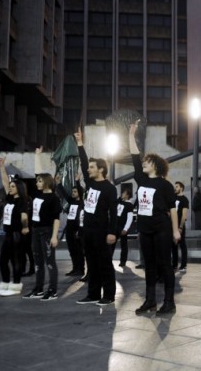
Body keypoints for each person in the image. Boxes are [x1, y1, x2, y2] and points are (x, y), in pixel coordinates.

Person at [129, 121, 181, 315]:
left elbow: (173, 209)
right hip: (145, 229)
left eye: (147, 162)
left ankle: (169, 302)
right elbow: (135, 157)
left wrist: (175, 230)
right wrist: (131, 135)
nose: (143, 163)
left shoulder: (165, 185)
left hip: (162, 229)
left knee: (165, 265)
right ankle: (150, 301)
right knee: (149, 266)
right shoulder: (141, 180)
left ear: (156, 167)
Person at [74, 128, 118, 307]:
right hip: (88, 230)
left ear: (101, 169)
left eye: (92, 167)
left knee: (105, 264)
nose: (88, 169)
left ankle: (108, 295)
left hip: (102, 231)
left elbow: (114, 212)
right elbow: (84, 161)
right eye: (89, 167)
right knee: (91, 264)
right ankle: (92, 294)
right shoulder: (90, 183)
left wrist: (112, 232)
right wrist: (80, 144)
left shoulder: (109, 188)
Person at [22, 148, 61, 301]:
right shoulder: (37, 194)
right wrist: (37, 155)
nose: (37, 182)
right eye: (37, 181)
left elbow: (56, 218)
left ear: (46, 182)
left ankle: (52, 290)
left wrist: (54, 237)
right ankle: (38, 289)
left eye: (40, 181)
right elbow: (38, 172)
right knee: (37, 261)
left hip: (47, 231)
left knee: (49, 262)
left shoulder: (53, 198)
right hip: (36, 230)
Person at [0, 158, 29, 297]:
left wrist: (25, 227)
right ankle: (5, 284)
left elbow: (24, 216)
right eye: (11, 186)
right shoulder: (9, 199)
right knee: (2, 261)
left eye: (13, 187)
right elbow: (5, 182)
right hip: (8, 233)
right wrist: (2, 167)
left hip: (17, 234)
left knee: (16, 261)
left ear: (19, 188)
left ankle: (15, 287)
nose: (10, 188)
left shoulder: (22, 201)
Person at [56, 173, 85, 277]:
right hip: (69, 229)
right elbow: (64, 194)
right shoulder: (72, 201)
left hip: (77, 230)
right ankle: (75, 268)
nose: (73, 193)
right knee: (72, 250)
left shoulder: (82, 203)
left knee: (79, 251)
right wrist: (59, 183)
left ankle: (81, 269)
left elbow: (81, 193)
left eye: (75, 191)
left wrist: (77, 181)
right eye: (72, 191)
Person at [115, 187, 134, 268]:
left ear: (127, 195)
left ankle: (123, 260)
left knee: (124, 244)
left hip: (122, 227)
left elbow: (130, 218)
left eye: (124, 193)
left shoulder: (129, 205)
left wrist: (126, 228)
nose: (122, 194)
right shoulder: (120, 202)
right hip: (115, 225)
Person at [173, 181, 189, 272]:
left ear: (181, 188)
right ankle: (174, 265)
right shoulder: (173, 197)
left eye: (177, 186)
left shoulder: (184, 200)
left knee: (182, 245)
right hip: (172, 224)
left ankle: (183, 265)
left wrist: (181, 227)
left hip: (179, 225)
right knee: (173, 245)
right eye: (175, 186)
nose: (175, 188)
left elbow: (184, 215)